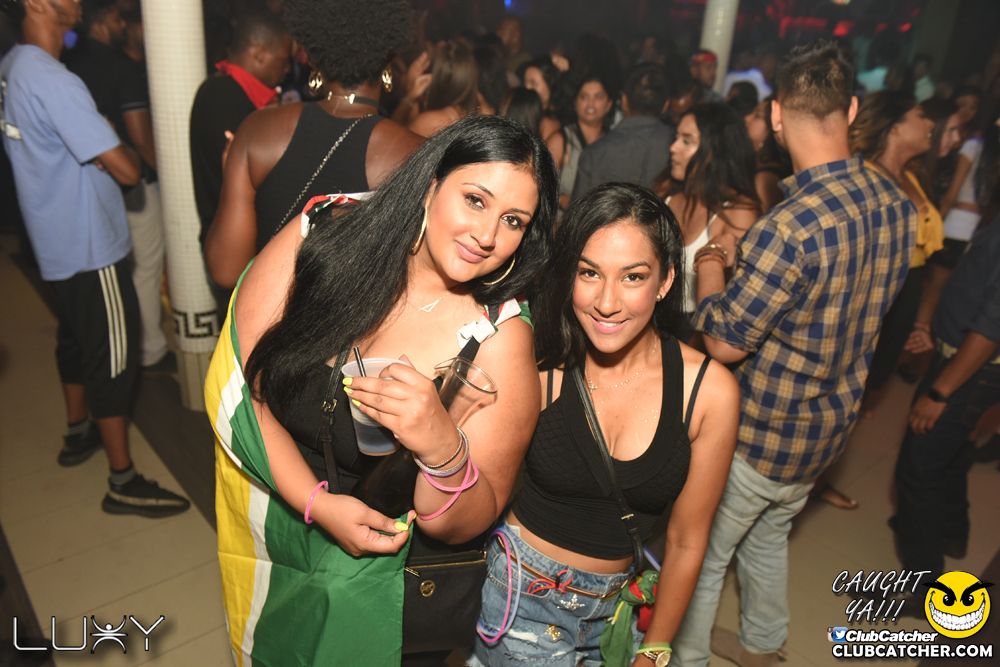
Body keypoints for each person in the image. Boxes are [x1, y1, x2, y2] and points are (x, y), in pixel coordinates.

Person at [205, 114, 558, 666]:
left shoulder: (497, 340)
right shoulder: (323, 235)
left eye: (513, 220)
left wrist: (440, 446)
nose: (488, 235)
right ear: (431, 184)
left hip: (380, 593)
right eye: (475, 200)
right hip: (274, 530)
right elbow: (244, 381)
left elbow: (466, 521)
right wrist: (316, 503)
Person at [672, 41, 916, 667]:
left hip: (759, 434)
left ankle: (689, 658)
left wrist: (710, 264)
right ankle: (762, 645)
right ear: (851, 108)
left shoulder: (788, 227)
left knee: (701, 554)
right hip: (825, 432)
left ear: (777, 115)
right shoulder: (896, 204)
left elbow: (724, 342)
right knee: (769, 535)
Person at [472, 182, 739, 667]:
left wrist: (656, 648)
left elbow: (686, 540)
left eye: (633, 277)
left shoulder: (709, 392)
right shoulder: (539, 365)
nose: (607, 302)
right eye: (589, 273)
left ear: (665, 281)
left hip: (619, 611)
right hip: (519, 598)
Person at [1, 0, 189, 516]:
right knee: (113, 360)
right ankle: (122, 480)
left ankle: (77, 431)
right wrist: (112, 140)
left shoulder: (14, 65)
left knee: (74, 338)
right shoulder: (56, 81)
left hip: (52, 237)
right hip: (89, 245)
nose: (79, 2)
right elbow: (127, 170)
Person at [204, 0, 422, 298]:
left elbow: (226, 271)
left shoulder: (257, 131)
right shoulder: (416, 154)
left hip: (270, 320)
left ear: (312, 57)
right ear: (390, 58)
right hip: (355, 326)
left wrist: (230, 174)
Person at [891, 207, 1000, 590]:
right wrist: (939, 330)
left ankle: (923, 586)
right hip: (966, 360)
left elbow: (990, 329)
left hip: (969, 371)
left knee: (919, 468)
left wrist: (940, 392)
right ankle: (951, 532)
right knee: (949, 455)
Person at [64, 0, 170, 372]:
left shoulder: (69, 65)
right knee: (145, 266)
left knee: (118, 269)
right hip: (130, 180)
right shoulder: (121, 68)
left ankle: (126, 341)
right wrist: (169, 179)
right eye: (115, 18)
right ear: (99, 24)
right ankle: (149, 349)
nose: (122, 25)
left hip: (90, 182)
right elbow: (140, 138)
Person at [189, 9, 291, 317]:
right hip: (233, 249)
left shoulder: (233, 93)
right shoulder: (222, 97)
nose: (287, 68)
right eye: (283, 59)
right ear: (259, 53)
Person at [851, 92, 940, 408]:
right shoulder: (864, 177)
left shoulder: (911, 176)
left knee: (881, 366)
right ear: (894, 127)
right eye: (920, 115)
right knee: (858, 366)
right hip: (874, 286)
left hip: (908, 284)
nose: (930, 123)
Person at [656, 103, 760, 324]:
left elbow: (737, 304)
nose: (673, 147)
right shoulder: (666, 193)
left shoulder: (737, 212)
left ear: (716, 151)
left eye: (687, 141)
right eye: (676, 138)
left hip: (697, 330)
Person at [572, 63, 673, 201]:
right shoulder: (676, 146)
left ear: (624, 101)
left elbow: (578, 210)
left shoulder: (595, 153)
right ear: (666, 105)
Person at [546, 74, 615, 211]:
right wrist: (560, 199)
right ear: (575, 103)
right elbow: (541, 185)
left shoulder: (613, 143)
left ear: (609, 104)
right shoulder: (561, 140)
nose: (590, 103)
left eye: (598, 97)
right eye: (584, 97)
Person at [409, 40, 479, 137]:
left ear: (437, 76)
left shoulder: (432, 121)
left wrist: (409, 93)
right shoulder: (467, 114)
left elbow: (398, 140)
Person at [741, 96, 792, 213]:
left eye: (757, 115)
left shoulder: (766, 177)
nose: (747, 118)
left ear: (772, 124)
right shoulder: (756, 164)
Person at [521, 55, 564, 141]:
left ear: (550, 85)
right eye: (525, 84)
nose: (527, 89)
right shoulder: (531, 114)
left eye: (534, 84)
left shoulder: (549, 123)